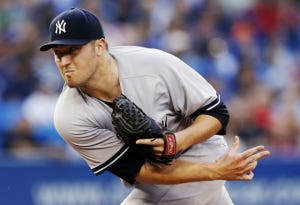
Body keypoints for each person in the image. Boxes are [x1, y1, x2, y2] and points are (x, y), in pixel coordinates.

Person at [39, 8, 270, 205]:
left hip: (203, 152)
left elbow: (217, 113)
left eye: (73, 50)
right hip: (164, 179)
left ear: (100, 46)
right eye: (58, 54)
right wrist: (216, 172)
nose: (64, 61)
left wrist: (177, 142)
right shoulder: (69, 116)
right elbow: (139, 170)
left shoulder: (152, 64)